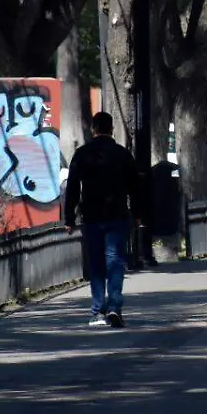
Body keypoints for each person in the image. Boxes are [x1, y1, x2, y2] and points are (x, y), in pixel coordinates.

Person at [65, 111, 142, 328]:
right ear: (112, 129)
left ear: (93, 129)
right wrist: (137, 214)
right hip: (117, 215)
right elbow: (135, 188)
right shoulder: (123, 154)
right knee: (115, 262)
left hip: (91, 216)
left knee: (96, 263)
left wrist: (69, 217)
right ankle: (115, 307)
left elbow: (72, 188)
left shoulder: (82, 154)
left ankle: (97, 310)